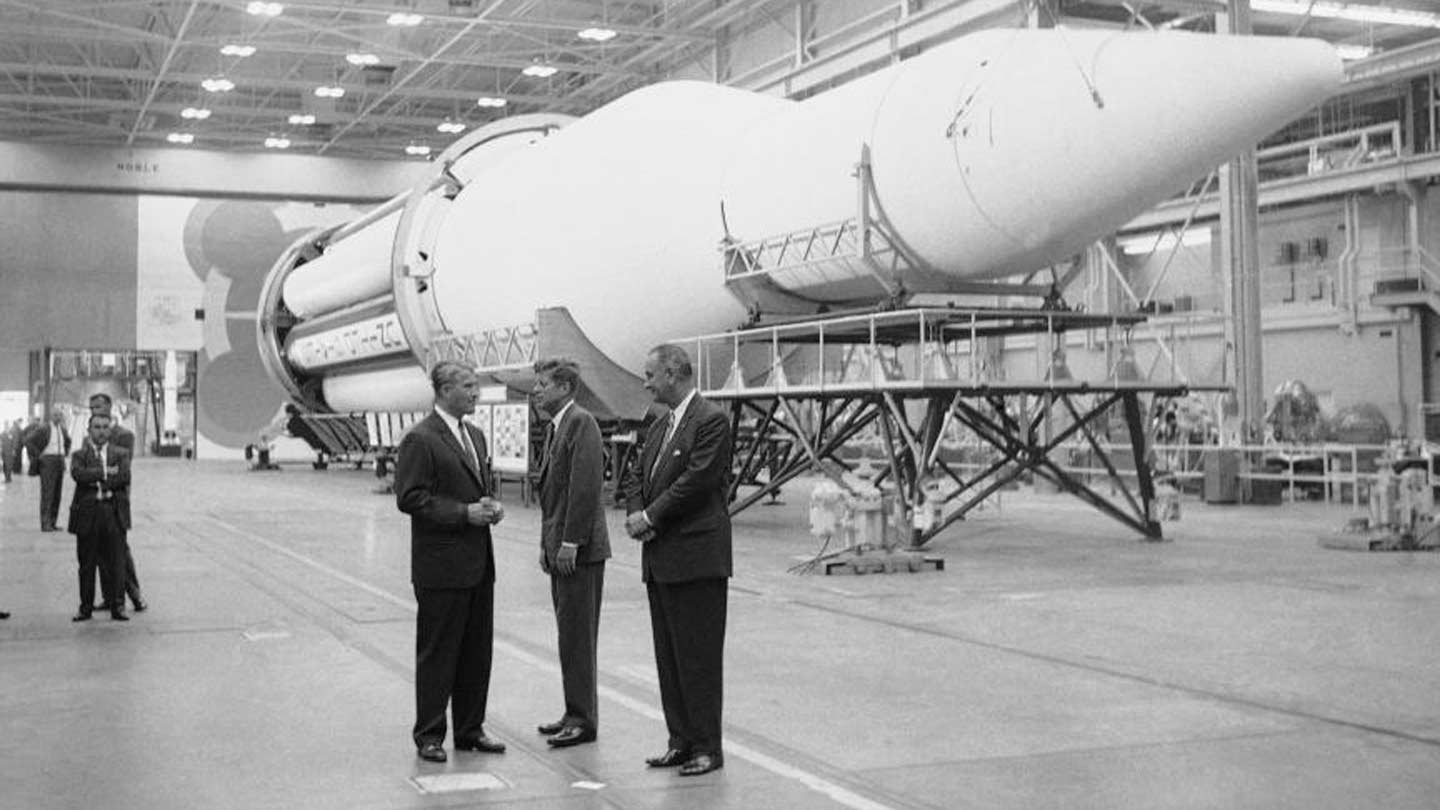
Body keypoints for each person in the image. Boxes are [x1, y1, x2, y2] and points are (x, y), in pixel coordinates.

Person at [622, 343, 733, 777]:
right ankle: (681, 741)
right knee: (669, 657)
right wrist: (636, 512)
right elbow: (636, 473)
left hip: (697, 559)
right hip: (662, 556)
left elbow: (697, 481)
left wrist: (650, 516)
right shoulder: (658, 422)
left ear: (673, 373)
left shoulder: (711, 420)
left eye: (650, 374)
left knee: (699, 659)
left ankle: (707, 746)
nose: (646, 382)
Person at [394, 361, 507, 763]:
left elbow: (474, 486)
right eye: (468, 386)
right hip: (441, 568)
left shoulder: (474, 436)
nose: (476, 393)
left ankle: (470, 729)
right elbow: (410, 497)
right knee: (438, 653)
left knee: (477, 653)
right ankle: (429, 735)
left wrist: (489, 507)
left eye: (476, 386)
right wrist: (463, 514)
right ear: (443, 390)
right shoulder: (421, 439)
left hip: (478, 564)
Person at [531, 357, 610, 748]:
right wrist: (547, 544)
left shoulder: (581, 423)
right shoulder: (556, 427)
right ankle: (573, 710)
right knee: (569, 636)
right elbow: (552, 496)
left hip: (579, 551)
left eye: (543, 383)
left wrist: (569, 542)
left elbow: (584, 486)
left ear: (564, 387)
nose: (536, 390)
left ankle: (583, 720)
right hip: (561, 548)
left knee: (579, 636)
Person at [67, 413, 131, 622]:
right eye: (97, 427)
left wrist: (94, 476)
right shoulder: (78, 455)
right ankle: (85, 608)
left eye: (105, 427)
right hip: (87, 515)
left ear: (110, 430)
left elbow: (123, 476)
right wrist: (105, 471)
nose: (101, 431)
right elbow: (78, 474)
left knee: (117, 563)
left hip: (113, 513)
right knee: (86, 564)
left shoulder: (122, 453)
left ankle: (118, 607)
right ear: (89, 430)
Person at [89, 394, 146, 613]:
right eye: (92, 407)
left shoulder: (124, 436)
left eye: (99, 406)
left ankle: (135, 596)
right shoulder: (91, 434)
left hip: (117, 499)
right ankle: (109, 597)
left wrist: (99, 473)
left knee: (120, 550)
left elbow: (121, 471)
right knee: (101, 551)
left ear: (110, 408)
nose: (95, 410)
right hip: (95, 500)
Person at [24, 408, 71, 531]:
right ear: (51, 416)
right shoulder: (44, 429)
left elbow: (67, 441)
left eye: (59, 415)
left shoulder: (63, 429)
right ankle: (45, 524)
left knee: (57, 494)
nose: (58, 417)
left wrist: (65, 453)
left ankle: (53, 522)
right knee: (47, 494)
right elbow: (28, 440)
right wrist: (38, 455)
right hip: (48, 462)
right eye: (55, 415)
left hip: (59, 461)